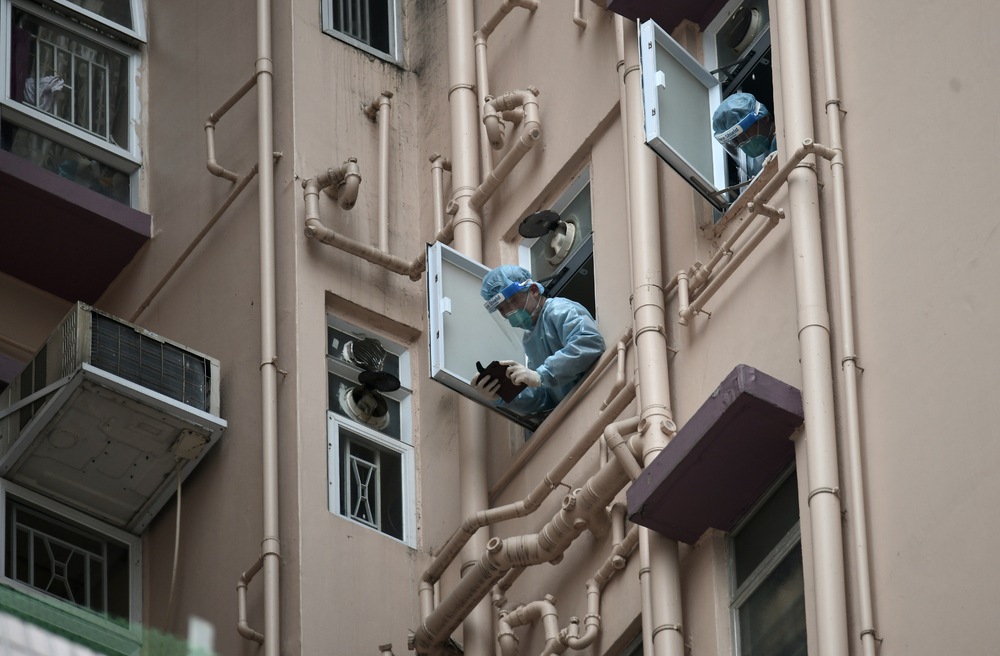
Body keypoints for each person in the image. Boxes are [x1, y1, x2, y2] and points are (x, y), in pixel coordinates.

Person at [471, 265, 605, 416]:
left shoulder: (558, 309)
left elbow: (589, 342)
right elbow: (545, 398)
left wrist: (541, 375)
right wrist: (502, 395)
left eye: (512, 301)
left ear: (533, 291)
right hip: (579, 413)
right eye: (501, 309)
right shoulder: (530, 340)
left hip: (600, 396)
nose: (509, 312)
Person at [712, 92, 777, 176]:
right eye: (735, 141)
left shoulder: (791, 133)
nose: (742, 143)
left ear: (764, 119)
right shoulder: (756, 164)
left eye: (744, 136)